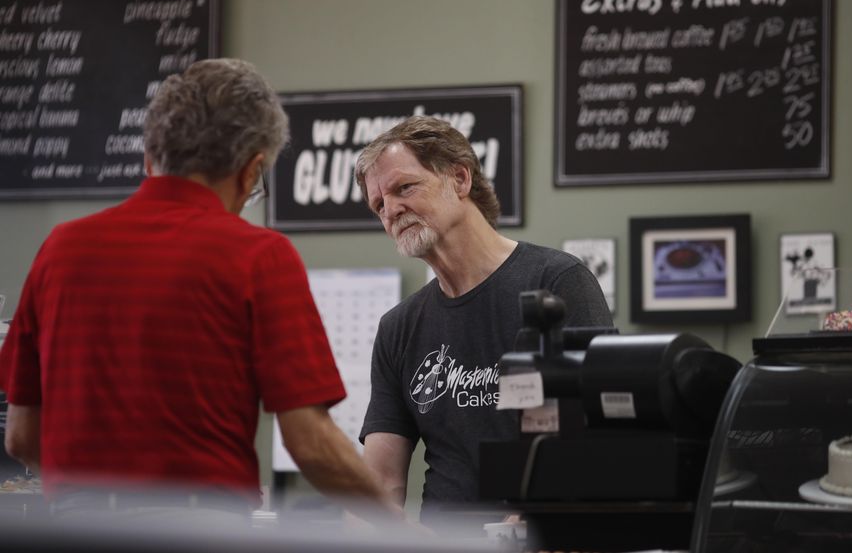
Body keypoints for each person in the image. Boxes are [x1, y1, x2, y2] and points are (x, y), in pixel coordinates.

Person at [0, 58, 400, 525]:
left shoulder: (60, 249)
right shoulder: (259, 255)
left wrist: (93, 496)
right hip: (199, 529)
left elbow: (21, 437)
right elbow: (310, 442)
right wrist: (403, 529)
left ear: (150, 158)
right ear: (251, 171)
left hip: (70, 529)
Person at [354, 115, 613, 526]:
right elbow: (382, 479)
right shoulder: (398, 327)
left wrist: (541, 516)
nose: (391, 210)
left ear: (459, 179)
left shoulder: (558, 282)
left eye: (404, 188)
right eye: (379, 204)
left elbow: (601, 431)